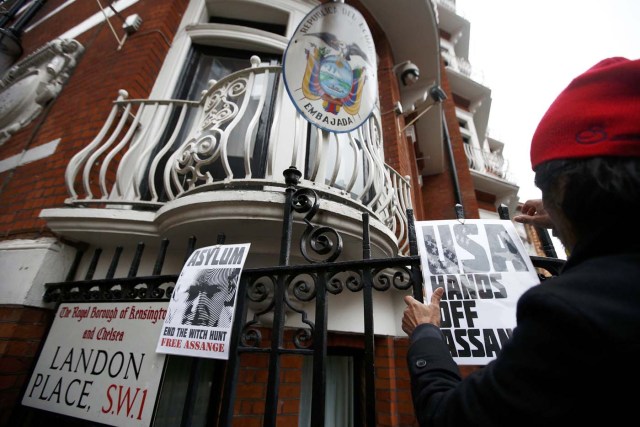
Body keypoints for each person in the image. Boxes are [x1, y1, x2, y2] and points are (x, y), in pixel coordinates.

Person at [402, 56, 640, 426]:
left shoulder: (568, 314)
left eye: (545, 186)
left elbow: (447, 417)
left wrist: (427, 333)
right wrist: (565, 217)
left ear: (564, 186)